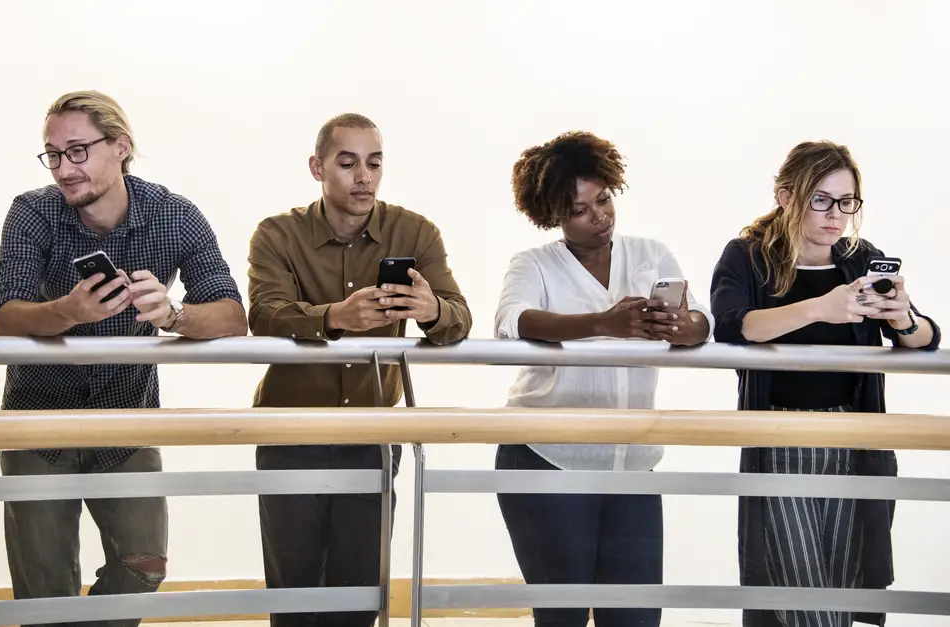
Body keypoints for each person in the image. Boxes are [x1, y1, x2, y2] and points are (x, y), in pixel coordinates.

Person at [0, 90, 246, 627]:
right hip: (39, 422)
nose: (65, 168)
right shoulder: (32, 211)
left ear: (122, 147)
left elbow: (230, 314)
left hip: (127, 419)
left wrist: (175, 316)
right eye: (54, 154)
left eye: (78, 150)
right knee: (44, 593)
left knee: (145, 564)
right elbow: (7, 316)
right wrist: (68, 311)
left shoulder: (174, 215)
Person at [247, 112, 472, 627]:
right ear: (317, 167)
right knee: (293, 589)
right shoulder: (278, 233)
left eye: (373, 163)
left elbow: (459, 317)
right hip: (289, 430)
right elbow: (263, 312)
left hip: (373, 432)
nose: (363, 176)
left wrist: (430, 310)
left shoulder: (415, 231)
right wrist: (333, 317)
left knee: (360, 588)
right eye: (347, 163)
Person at [710, 140, 939, 627]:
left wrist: (901, 317)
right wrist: (820, 308)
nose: (835, 215)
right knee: (798, 582)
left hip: (856, 438)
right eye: (821, 199)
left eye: (847, 202)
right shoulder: (748, 256)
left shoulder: (861, 258)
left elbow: (925, 337)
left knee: (843, 580)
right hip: (779, 436)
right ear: (786, 196)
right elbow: (734, 325)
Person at [493, 131, 713, 627]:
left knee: (636, 619)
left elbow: (701, 320)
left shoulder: (649, 253)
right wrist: (602, 324)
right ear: (552, 214)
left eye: (605, 199)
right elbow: (514, 320)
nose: (600, 217)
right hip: (546, 459)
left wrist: (684, 327)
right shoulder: (534, 264)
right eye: (579, 209)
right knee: (562, 618)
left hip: (632, 463)